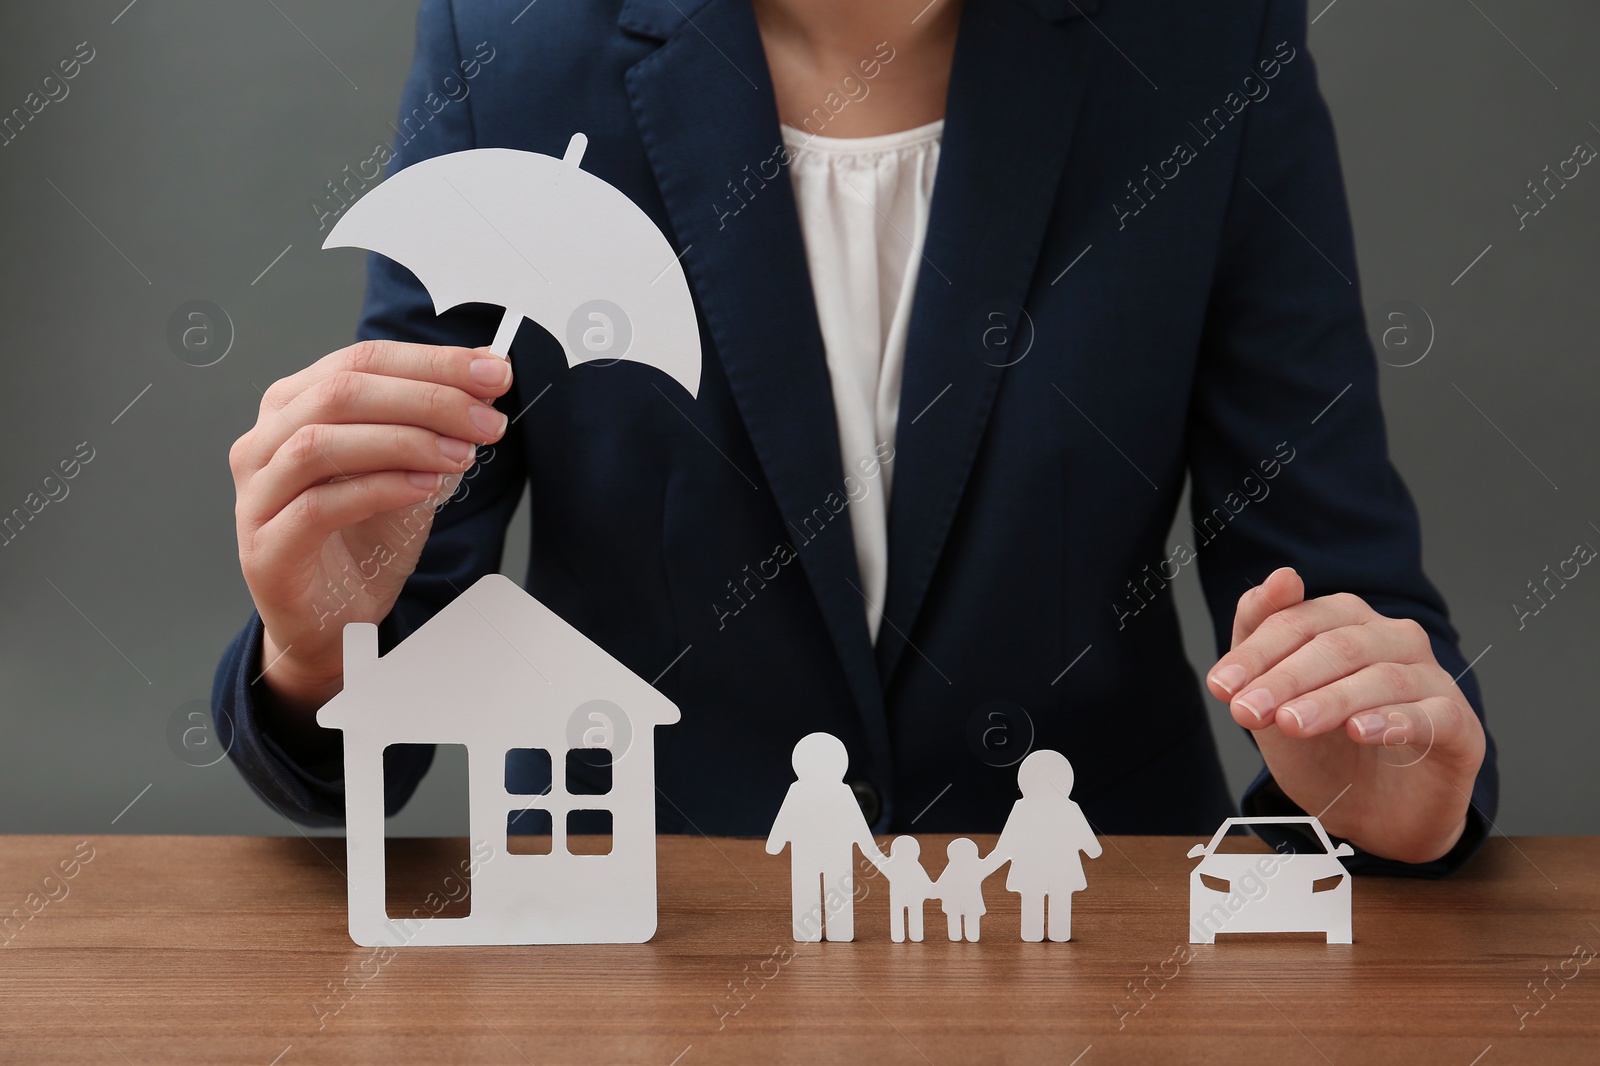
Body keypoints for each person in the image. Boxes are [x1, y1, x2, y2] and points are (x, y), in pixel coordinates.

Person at [215, 0, 1497, 876]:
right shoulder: (514, 45)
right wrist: (319, 638)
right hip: (642, 946)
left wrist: (1384, 785)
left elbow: (1343, 605)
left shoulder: (1206, 40)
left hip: (1092, 935)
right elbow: (386, 665)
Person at [765, 733, 886, 942]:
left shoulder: (835, 792)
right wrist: (873, 852)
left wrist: (776, 843)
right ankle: (821, 930)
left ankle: (836, 930)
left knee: (834, 891)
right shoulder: (803, 791)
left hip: (826, 854)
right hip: (816, 854)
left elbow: (856, 823)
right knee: (821, 890)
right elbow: (787, 817)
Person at [986, 750, 1102, 942]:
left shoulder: (1023, 809)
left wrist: (986, 866)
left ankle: (1036, 933)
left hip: (1030, 870)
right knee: (1059, 897)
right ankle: (1058, 933)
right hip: (1062, 870)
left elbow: (1004, 847)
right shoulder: (1069, 808)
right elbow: (1094, 849)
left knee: (1036, 896)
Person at [880, 835, 935, 943]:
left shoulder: (893, 865)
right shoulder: (915, 866)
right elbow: (926, 882)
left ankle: (901, 936)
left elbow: (880, 863)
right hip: (911, 896)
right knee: (913, 912)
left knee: (901, 913)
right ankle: (914, 935)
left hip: (902, 896)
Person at [934, 838, 989, 942]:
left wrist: (933, 891)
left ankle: (966, 936)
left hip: (960, 903)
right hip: (964, 903)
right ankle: (964, 936)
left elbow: (939, 886)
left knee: (965, 918)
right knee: (960, 918)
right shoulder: (974, 867)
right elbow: (941, 885)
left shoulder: (953, 869)